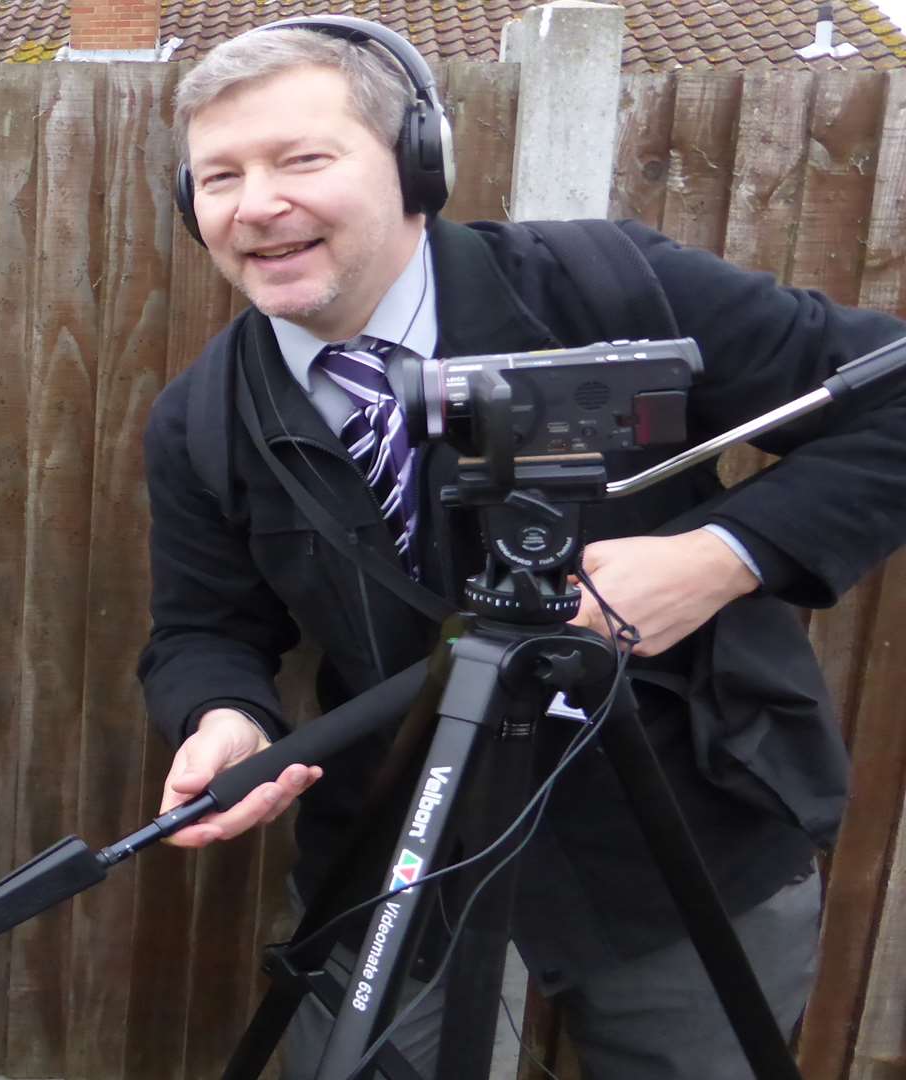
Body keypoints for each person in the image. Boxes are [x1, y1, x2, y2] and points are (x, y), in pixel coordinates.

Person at [140, 17, 906, 1080]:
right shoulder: (201, 419)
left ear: (418, 164)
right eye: (218, 175)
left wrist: (721, 555)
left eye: (303, 159)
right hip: (401, 853)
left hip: (683, 828)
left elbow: (893, 399)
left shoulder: (607, 288)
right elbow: (203, 627)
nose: (256, 203)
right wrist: (223, 715)